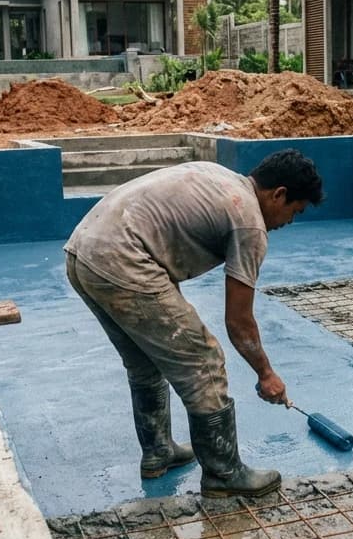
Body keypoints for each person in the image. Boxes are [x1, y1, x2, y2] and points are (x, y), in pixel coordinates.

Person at [64, 149, 324, 498]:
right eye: (295, 210)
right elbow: (239, 321)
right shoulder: (249, 222)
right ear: (278, 194)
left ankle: (159, 452)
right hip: (122, 260)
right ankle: (223, 473)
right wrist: (266, 374)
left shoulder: (220, 177)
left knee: (144, 361)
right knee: (204, 360)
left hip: (83, 252)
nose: (290, 221)